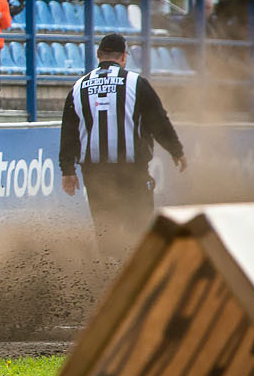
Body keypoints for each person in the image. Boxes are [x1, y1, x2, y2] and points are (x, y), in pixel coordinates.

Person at [59, 32, 186, 258]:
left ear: (99, 55)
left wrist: (67, 169)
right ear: (124, 57)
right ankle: (137, 276)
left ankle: (109, 275)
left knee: (105, 227)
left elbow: (69, 131)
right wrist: (176, 150)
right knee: (139, 227)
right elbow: (158, 120)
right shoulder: (137, 83)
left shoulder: (78, 87)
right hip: (132, 170)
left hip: (95, 171)